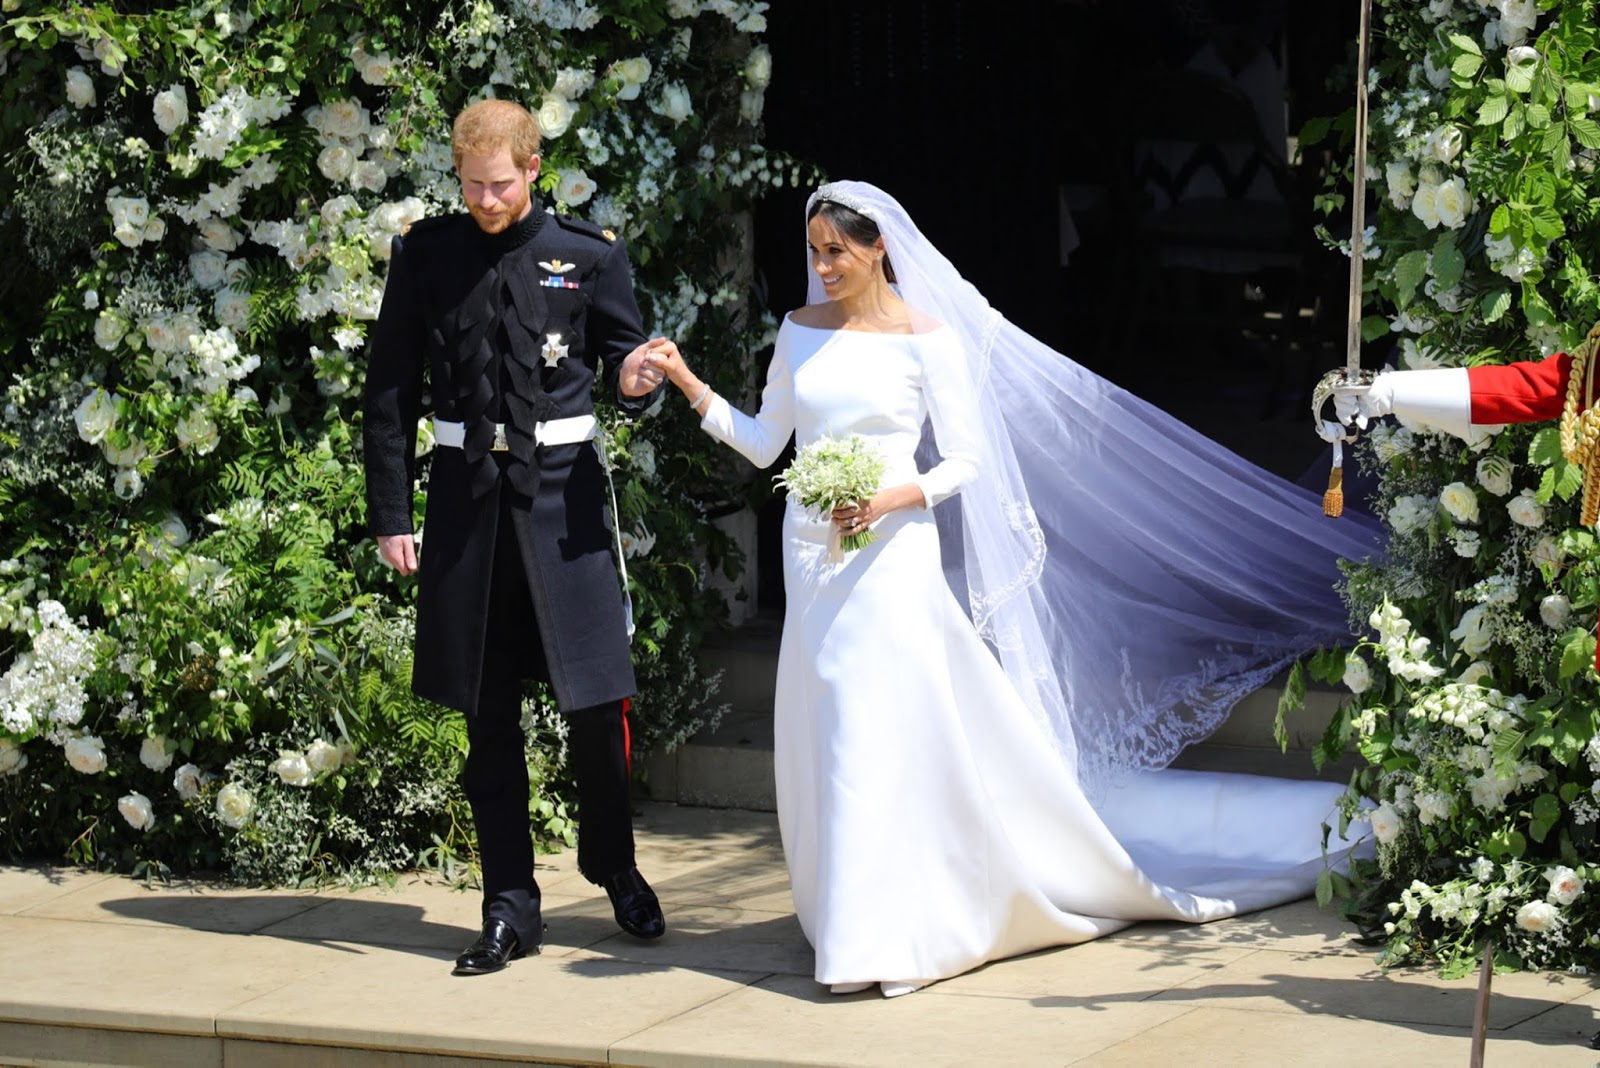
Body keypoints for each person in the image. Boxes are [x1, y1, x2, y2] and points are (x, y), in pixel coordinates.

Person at [642, 180, 1381, 997]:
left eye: (837, 252)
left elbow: (966, 459)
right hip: (812, 553)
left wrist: (893, 497)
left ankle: (888, 934)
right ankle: (852, 918)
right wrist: (688, 381)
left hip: (892, 552)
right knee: (829, 729)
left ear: (879, 248)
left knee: (876, 729)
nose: (822, 267)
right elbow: (762, 443)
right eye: (814, 252)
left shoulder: (928, 339)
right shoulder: (798, 330)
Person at [363, 99, 671, 977]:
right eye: (471, 186)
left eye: (499, 185)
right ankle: (508, 907)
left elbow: (626, 362)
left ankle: (614, 867)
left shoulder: (589, 253)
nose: (486, 201)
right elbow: (390, 390)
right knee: (487, 715)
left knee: (597, 705)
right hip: (468, 512)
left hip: (566, 509)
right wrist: (392, 514)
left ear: (533, 168)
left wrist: (638, 379)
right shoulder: (427, 254)